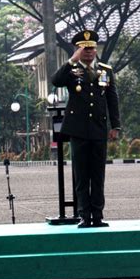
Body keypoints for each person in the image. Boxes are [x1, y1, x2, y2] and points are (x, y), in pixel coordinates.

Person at [51, 30, 121, 228]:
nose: (89, 52)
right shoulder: (72, 70)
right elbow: (56, 81)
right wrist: (72, 60)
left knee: (98, 174)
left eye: (91, 48)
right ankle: (84, 215)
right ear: (78, 49)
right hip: (78, 129)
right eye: (85, 48)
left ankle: (97, 215)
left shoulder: (105, 70)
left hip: (99, 129)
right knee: (81, 175)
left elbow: (112, 99)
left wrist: (115, 125)